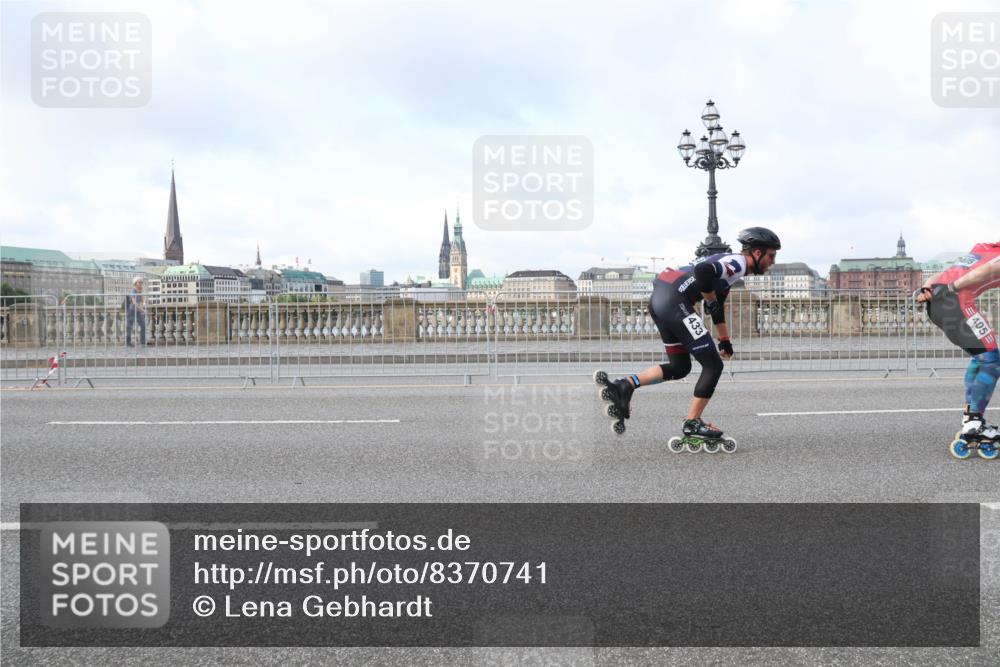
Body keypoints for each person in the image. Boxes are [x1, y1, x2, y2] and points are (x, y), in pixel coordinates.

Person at [597, 227, 781, 441]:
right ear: (757, 254)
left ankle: (625, 385)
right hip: (675, 302)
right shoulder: (738, 263)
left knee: (680, 367)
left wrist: (724, 340)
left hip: (661, 300)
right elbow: (703, 271)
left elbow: (716, 308)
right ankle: (692, 422)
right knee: (713, 366)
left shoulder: (729, 270)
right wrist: (710, 300)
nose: (773, 262)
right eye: (771, 255)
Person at [915, 242, 1000, 455]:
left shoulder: (984, 247)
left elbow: (943, 274)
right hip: (956, 301)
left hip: (937, 302)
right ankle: (974, 421)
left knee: (981, 358)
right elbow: (988, 271)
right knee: (992, 360)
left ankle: (971, 415)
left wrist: (927, 287)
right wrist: (953, 288)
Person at [125, 276, 147, 347]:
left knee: (143, 325)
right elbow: (134, 302)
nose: (141, 284)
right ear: (135, 283)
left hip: (138, 311)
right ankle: (128, 343)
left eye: (141, 282)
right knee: (129, 327)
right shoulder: (133, 291)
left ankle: (143, 342)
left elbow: (143, 300)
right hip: (131, 311)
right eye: (139, 282)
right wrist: (142, 310)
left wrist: (144, 304)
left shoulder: (139, 291)